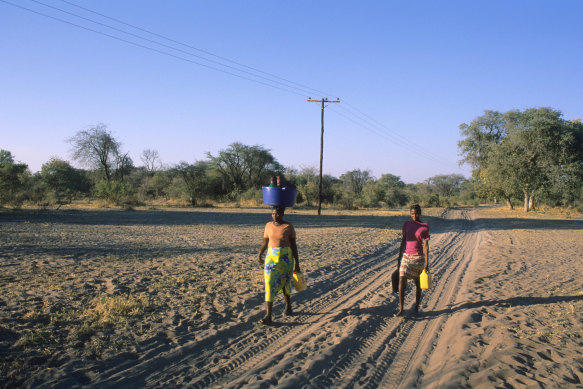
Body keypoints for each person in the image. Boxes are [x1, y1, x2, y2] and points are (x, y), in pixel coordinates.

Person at [257, 206, 301, 325]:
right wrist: (260, 254)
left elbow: (294, 246)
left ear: (282, 214)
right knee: (269, 284)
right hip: (271, 258)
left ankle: (288, 306)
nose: (275, 216)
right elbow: (265, 242)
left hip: (285, 258)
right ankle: (268, 315)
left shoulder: (288, 226)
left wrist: (297, 263)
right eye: (273, 214)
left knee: (285, 283)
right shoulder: (268, 225)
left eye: (277, 214)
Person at [396, 204, 430, 316]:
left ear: (420, 213)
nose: (414, 216)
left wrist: (427, 262)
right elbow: (403, 240)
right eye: (412, 213)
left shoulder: (425, 226)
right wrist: (399, 257)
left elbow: (425, 245)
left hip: (418, 257)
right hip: (406, 256)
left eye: (416, 213)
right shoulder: (406, 224)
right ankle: (401, 309)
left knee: (417, 283)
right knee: (401, 279)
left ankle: (416, 307)